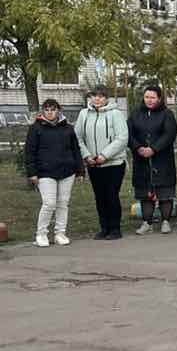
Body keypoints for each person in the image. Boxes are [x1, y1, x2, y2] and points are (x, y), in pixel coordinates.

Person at [25, 96, 85, 247]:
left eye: (53, 109)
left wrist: (80, 171)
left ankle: (60, 233)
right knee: (49, 203)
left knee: (63, 203)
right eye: (47, 110)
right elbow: (30, 152)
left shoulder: (68, 128)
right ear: (43, 111)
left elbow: (76, 150)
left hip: (67, 171)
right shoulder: (36, 128)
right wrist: (32, 172)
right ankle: (41, 234)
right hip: (45, 172)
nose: (50, 112)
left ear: (59, 110)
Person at [75, 85, 129, 241]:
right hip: (93, 163)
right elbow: (77, 137)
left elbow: (122, 138)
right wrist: (86, 156)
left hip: (114, 163)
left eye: (101, 96)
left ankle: (115, 228)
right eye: (94, 96)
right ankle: (104, 227)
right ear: (90, 98)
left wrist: (105, 155)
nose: (97, 99)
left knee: (111, 195)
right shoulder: (84, 114)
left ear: (106, 98)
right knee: (99, 197)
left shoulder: (116, 114)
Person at [128, 83, 177, 235]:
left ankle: (166, 221)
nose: (149, 100)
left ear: (159, 98)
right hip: (141, 158)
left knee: (165, 192)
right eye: (147, 97)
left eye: (153, 97)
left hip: (162, 159)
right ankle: (147, 223)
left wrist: (154, 149)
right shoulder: (136, 114)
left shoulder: (167, 114)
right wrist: (138, 148)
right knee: (145, 193)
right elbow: (128, 133)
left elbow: (169, 134)